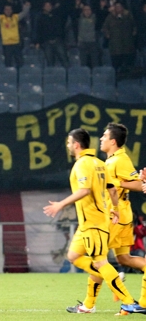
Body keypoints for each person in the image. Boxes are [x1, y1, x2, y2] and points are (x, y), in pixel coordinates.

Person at [43, 128, 140, 314]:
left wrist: (60, 205)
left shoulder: (82, 164)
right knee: (73, 256)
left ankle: (128, 301)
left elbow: (84, 190)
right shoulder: (99, 163)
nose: (68, 146)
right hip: (91, 222)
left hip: (93, 222)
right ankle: (103, 286)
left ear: (77, 145)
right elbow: (112, 189)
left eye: (69, 143)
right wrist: (116, 210)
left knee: (100, 262)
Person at [102, 123, 146, 311]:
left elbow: (138, 185)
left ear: (113, 141)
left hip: (117, 216)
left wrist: (115, 182)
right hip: (119, 214)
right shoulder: (110, 160)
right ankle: (119, 283)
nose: (101, 139)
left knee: (98, 258)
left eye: (104, 136)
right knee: (124, 259)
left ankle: (90, 304)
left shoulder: (120, 159)